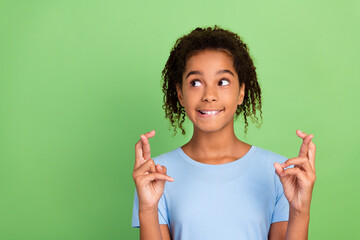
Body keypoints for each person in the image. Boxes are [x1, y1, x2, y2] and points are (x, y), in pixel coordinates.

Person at [131, 25, 316, 240]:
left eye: (223, 82)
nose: (209, 95)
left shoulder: (280, 174)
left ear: (241, 93)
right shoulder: (156, 175)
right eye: (196, 82)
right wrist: (147, 209)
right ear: (180, 94)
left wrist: (300, 211)